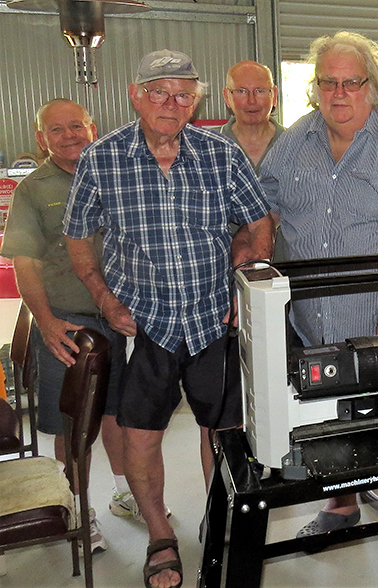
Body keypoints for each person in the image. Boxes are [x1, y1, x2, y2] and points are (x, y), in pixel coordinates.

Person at [63, 49, 273, 588]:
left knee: (223, 432)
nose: (170, 103)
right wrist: (104, 299)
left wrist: (245, 275)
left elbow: (258, 222)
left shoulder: (221, 155)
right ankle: (160, 534)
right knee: (141, 436)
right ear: (136, 95)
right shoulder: (102, 158)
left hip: (211, 318)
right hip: (142, 325)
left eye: (182, 94)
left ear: (196, 101)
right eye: (158, 92)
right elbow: (78, 238)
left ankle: (219, 520)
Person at [259, 31, 378, 569]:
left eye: (351, 82)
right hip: (311, 316)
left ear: (373, 85)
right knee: (330, 414)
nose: (339, 93)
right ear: (315, 87)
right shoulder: (294, 142)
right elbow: (265, 209)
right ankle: (342, 505)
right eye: (329, 82)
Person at [0, 98, 130, 554]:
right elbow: (25, 263)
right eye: (56, 129)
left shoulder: (117, 175)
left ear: (93, 129)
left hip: (121, 321)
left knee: (118, 415)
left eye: (77, 125)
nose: (69, 135)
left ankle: (125, 494)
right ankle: (77, 508)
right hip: (68, 328)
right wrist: (47, 322)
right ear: (42, 139)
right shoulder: (32, 191)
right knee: (74, 426)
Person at [220, 60, 288, 259]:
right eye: (241, 91)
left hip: (286, 266)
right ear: (227, 97)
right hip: (224, 267)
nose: (251, 100)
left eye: (260, 91)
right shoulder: (208, 151)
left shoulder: (296, 145)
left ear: (274, 95)